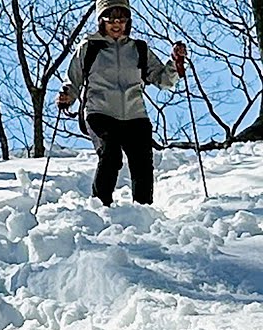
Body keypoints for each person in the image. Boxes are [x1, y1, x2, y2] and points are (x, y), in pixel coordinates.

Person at [56, 0, 187, 206]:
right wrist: (67, 97)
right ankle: (100, 207)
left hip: (135, 115)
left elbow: (163, 80)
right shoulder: (89, 47)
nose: (116, 23)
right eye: (110, 18)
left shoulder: (139, 49)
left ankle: (142, 211)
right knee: (110, 154)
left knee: (142, 164)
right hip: (100, 111)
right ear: (101, 21)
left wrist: (175, 63)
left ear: (128, 21)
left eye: (122, 18)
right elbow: (73, 80)